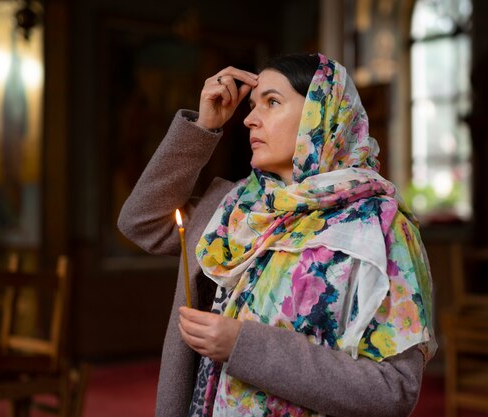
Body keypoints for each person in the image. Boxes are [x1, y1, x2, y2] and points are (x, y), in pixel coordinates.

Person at [118, 52, 436, 417]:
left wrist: (244, 346)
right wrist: (203, 128)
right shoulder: (234, 209)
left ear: (322, 113)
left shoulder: (379, 228)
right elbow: (141, 222)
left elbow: (393, 389)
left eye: (272, 102)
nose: (250, 120)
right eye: (252, 106)